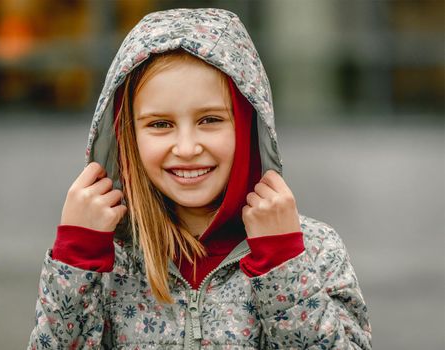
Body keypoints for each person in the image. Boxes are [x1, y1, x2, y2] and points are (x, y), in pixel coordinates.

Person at [28, 8, 371, 349]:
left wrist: (282, 262)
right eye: (160, 124)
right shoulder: (105, 258)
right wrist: (77, 256)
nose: (187, 148)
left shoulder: (314, 250)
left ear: (248, 125)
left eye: (210, 120)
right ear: (128, 136)